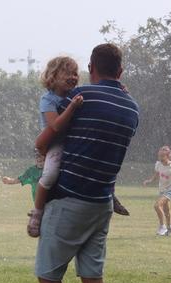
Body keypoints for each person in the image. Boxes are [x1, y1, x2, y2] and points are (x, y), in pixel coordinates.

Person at [30, 44, 139, 283]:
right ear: (120, 72)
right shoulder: (132, 108)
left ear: (92, 67)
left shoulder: (81, 98)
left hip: (69, 200)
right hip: (102, 202)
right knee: (92, 277)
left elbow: (44, 141)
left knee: (48, 275)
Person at [28, 56, 130, 238]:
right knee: (50, 175)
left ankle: (110, 195)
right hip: (56, 144)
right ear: (53, 75)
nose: (74, 77)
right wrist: (72, 107)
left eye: (75, 73)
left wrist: (118, 91)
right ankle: (37, 212)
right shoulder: (48, 99)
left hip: (73, 140)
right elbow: (55, 126)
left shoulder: (73, 94)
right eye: (67, 73)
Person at [142, 146, 171, 236]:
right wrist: (150, 180)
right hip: (162, 190)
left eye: (162, 156)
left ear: (168, 156)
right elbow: (157, 174)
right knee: (166, 211)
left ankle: (162, 226)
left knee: (157, 206)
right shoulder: (158, 164)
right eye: (159, 156)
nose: (160, 158)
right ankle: (170, 227)